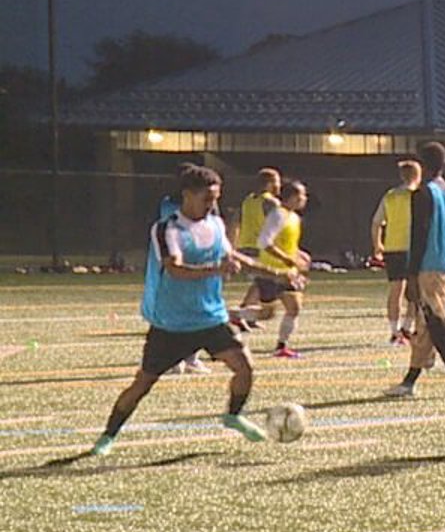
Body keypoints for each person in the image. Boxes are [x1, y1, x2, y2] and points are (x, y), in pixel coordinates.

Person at [91, 165, 296, 456]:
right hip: (172, 323)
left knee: (245, 368)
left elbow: (232, 256)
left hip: (210, 318)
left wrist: (276, 273)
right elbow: (174, 268)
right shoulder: (167, 228)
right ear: (187, 195)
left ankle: (233, 415)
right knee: (143, 384)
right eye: (207, 199)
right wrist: (217, 269)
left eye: (216, 198)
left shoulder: (214, 224)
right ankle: (108, 436)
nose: (212, 205)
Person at [387, 141, 445, 398]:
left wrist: (412, 274)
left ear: (422, 164)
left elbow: (420, 235)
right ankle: (409, 381)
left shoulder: (423, 193)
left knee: (438, 324)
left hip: (429, 267)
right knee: (426, 325)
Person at [242, 179, 309, 359]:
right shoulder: (278, 214)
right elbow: (264, 242)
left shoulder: (294, 217)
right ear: (292, 197)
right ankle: (231, 316)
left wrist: (299, 254)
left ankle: (282, 346)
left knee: (294, 307)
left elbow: (286, 243)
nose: (305, 198)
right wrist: (287, 259)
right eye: (302, 195)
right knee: (266, 314)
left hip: (287, 272)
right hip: (271, 272)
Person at [157, 163, 211, 374]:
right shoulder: (172, 205)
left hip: (195, 260)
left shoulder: (172, 202)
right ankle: (176, 359)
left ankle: (190, 358)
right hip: (183, 262)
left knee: (197, 312)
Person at [370, 159, 422, 345]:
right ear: (418, 175)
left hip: (393, 248)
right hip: (414, 248)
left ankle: (395, 332)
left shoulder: (390, 196)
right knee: (416, 291)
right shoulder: (419, 196)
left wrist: (378, 245)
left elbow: (376, 223)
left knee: (396, 290)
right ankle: (407, 328)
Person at [231, 167, 281, 327]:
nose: (279, 186)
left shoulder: (248, 200)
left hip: (245, 246)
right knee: (271, 281)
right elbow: (279, 226)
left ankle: (247, 316)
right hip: (262, 249)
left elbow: (236, 222)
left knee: (260, 282)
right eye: (277, 182)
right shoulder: (270, 202)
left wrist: (233, 245)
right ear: (269, 183)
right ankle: (239, 313)